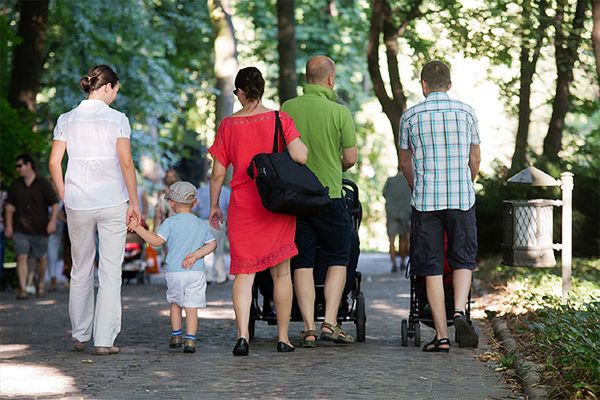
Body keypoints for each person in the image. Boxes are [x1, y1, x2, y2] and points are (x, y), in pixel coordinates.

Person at [208, 66, 308, 356]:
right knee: (281, 273)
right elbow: (300, 156)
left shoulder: (228, 125)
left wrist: (215, 204)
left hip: (243, 205)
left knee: (244, 273)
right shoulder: (280, 118)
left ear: (240, 92)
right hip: (276, 204)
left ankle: (242, 336)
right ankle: (283, 337)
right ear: (262, 90)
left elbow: (217, 174)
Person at [49, 64, 141, 355]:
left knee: (81, 268)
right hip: (112, 200)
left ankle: (79, 334)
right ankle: (104, 340)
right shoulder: (118, 120)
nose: (115, 95)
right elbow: (126, 163)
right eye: (115, 90)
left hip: (78, 202)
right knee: (111, 271)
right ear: (106, 88)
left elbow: (54, 163)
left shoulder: (67, 118)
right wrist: (134, 202)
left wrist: (66, 195)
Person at [399, 60, 481, 352]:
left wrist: (414, 184)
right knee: (463, 257)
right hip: (460, 198)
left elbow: (405, 163)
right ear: (449, 84)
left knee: (431, 265)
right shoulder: (467, 112)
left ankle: (441, 335)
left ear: (423, 85)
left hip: (426, 201)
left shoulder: (410, 116)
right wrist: (466, 181)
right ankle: (459, 310)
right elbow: (475, 159)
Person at [281, 55, 358, 347]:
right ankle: (330, 322)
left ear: (306, 78)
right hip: (331, 196)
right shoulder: (340, 113)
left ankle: (309, 327)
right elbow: (350, 158)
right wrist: (333, 168)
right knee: (339, 256)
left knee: (302, 261)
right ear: (330, 79)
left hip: (296, 199)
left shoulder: (288, 108)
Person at [128, 181, 216, 353]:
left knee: (175, 304)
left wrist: (137, 228)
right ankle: (190, 341)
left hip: (175, 272)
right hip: (195, 272)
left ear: (172, 203)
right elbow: (212, 244)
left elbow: (156, 242)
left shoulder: (170, 222)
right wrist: (197, 254)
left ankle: (176, 336)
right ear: (194, 203)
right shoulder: (200, 223)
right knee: (192, 307)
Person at [5, 154, 59, 299]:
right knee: (21, 256)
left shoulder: (43, 183)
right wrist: (9, 226)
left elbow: (54, 203)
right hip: (20, 229)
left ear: (29, 165)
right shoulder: (16, 185)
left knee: (40, 258)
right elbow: (9, 206)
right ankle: (23, 289)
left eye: (20, 165)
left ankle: (40, 285)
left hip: (40, 228)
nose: (18, 169)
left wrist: (52, 222)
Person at [192, 167, 231, 284]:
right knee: (219, 250)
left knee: (206, 250)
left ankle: (208, 276)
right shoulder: (225, 191)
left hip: (204, 222)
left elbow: (194, 208)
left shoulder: (200, 191)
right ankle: (221, 276)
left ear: (206, 178)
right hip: (219, 222)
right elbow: (230, 209)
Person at [382, 173, 412, 272]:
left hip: (392, 212)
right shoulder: (409, 181)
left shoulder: (390, 181)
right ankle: (403, 262)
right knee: (403, 238)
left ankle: (394, 264)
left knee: (391, 240)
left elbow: (384, 194)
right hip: (405, 212)